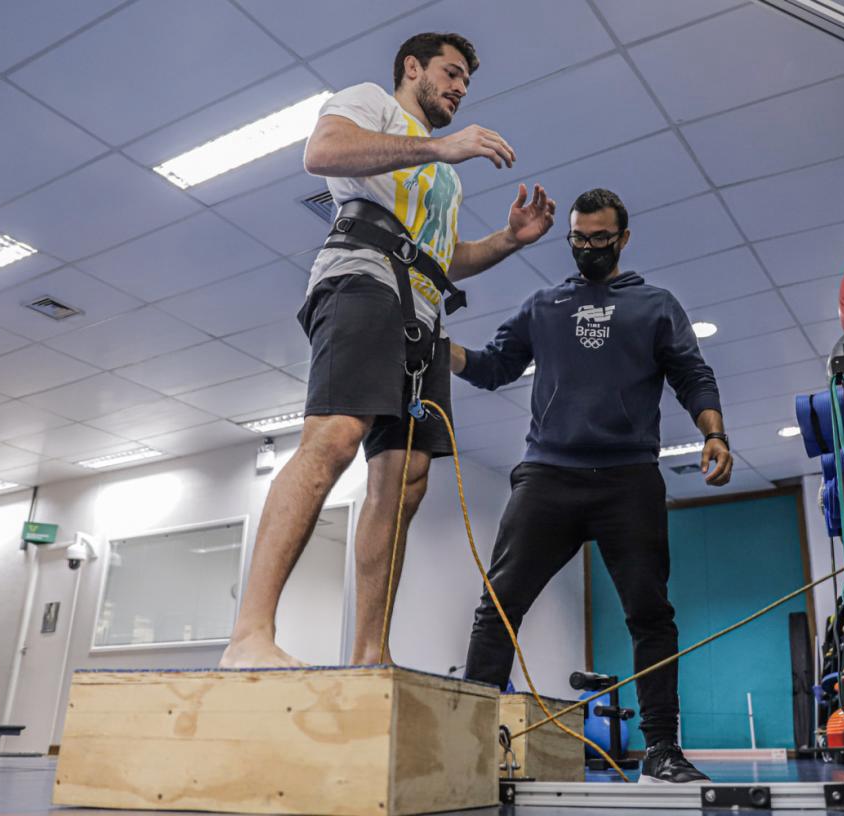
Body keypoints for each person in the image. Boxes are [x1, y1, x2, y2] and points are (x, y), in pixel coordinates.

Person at [220, 32, 557, 669]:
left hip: (422, 313)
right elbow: (322, 152)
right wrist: (438, 146)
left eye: (466, 82)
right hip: (361, 280)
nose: (459, 88)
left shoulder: (446, 185)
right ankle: (248, 635)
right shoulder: (371, 102)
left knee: (406, 479)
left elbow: (446, 256)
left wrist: (509, 240)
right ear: (413, 68)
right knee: (335, 436)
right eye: (451, 74)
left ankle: (370, 654)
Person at [450, 188, 733, 783]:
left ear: (623, 239)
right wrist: (441, 349)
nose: (588, 248)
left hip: (627, 478)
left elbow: (691, 372)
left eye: (600, 239)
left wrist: (714, 432)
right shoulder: (543, 304)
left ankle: (660, 751)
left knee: (651, 615)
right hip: (548, 474)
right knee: (497, 606)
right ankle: (469, 744)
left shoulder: (655, 304)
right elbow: (495, 364)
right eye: (579, 239)